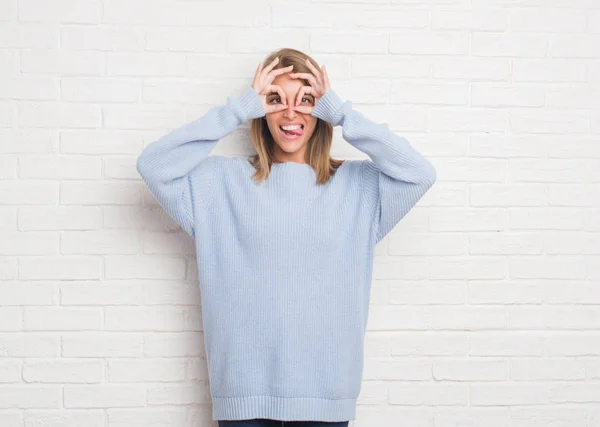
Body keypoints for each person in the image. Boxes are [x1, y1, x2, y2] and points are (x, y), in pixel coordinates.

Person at [136, 48, 436, 426]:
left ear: (321, 110)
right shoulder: (219, 184)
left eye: (306, 100)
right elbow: (153, 165)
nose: (291, 113)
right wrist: (235, 110)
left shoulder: (360, 188)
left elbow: (419, 174)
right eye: (275, 99)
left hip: (326, 398)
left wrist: (343, 114)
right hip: (245, 397)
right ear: (260, 110)